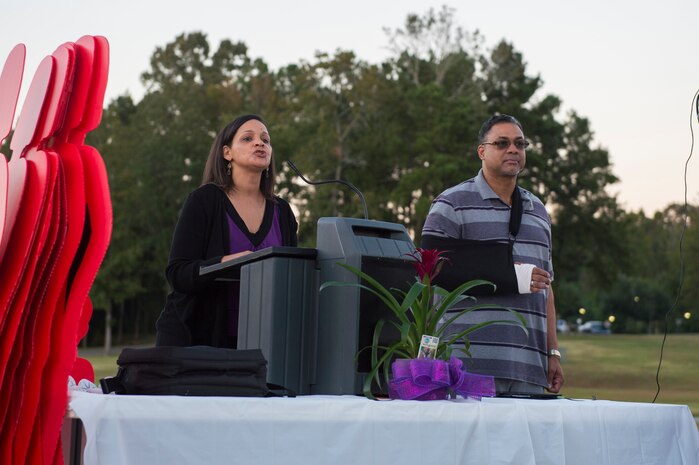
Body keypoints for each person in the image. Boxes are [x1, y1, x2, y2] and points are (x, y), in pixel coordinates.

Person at [421, 114, 564, 394]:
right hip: (466, 369)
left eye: (520, 144)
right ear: (482, 152)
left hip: (528, 370)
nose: (513, 149)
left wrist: (553, 353)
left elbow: (547, 288)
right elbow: (430, 274)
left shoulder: (539, 212)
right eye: (502, 143)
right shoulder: (451, 204)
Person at [155, 114, 298, 348]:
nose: (260, 143)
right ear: (227, 153)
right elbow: (178, 273)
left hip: (264, 343)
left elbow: (292, 277)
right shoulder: (204, 201)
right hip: (199, 342)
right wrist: (225, 262)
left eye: (265, 139)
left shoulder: (282, 212)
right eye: (248, 138)